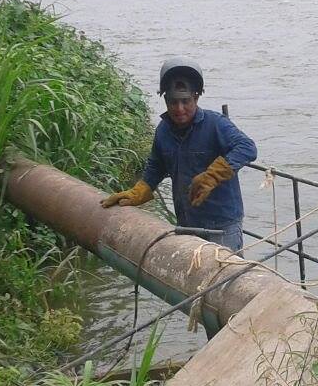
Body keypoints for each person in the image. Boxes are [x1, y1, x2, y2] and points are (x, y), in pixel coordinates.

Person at [102, 57, 257, 252]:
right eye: (173, 102)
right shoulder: (163, 131)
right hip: (187, 222)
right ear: (166, 100)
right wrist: (139, 190)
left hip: (222, 226)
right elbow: (156, 166)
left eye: (186, 101)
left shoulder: (216, 124)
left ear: (196, 98)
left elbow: (247, 147)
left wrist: (213, 175)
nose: (179, 109)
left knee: (223, 277)